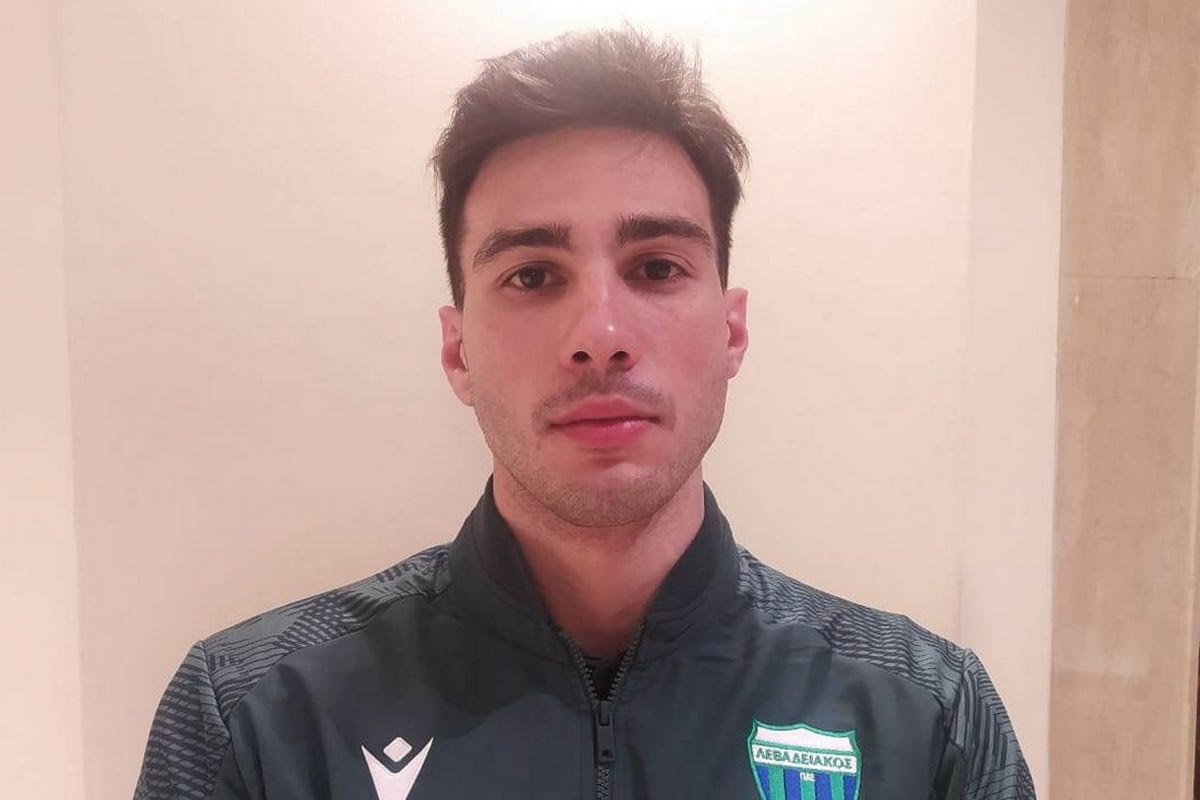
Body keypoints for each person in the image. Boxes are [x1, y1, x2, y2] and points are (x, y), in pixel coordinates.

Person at [134, 28, 1033, 800]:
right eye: (532, 276)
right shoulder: (254, 714)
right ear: (458, 351)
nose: (600, 337)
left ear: (731, 332)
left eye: (656, 268)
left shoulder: (930, 716)